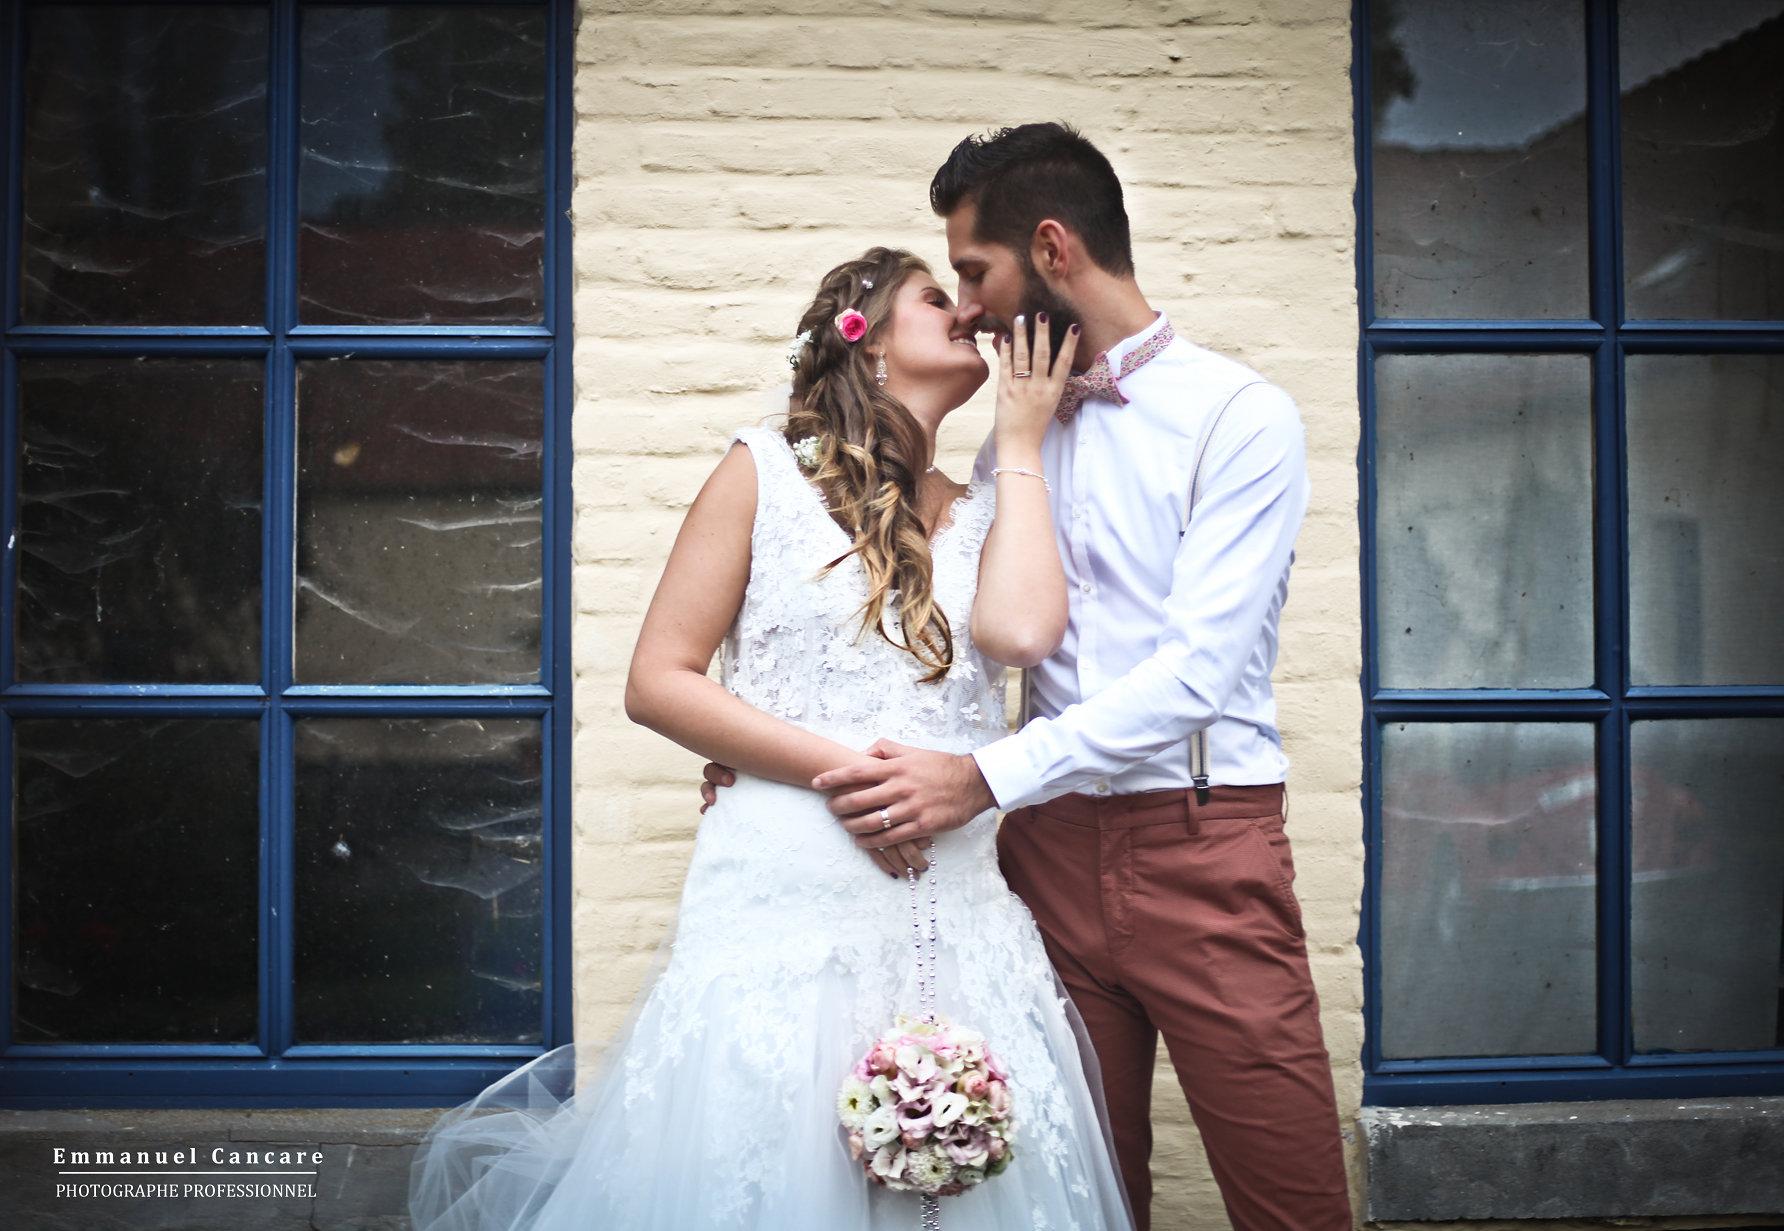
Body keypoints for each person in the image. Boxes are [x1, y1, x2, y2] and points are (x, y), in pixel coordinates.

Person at [701, 123, 1354, 1231]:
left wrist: (982, 775)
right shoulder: (1011, 427)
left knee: (1289, 1195)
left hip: (1199, 840)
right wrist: (771, 755)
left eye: (972, 271)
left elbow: (1197, 673)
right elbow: (942, 623)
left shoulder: (1238, 418)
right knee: (1076, 1193)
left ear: (1051, 249)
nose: (965, 306)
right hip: (1034, 862)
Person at [407, 245, 1136, 1230]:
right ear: (865, 337)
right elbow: (657, 680)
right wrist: (858, 780)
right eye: (935, 297)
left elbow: (1023, 637)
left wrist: (1019, 437)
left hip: (957, 919)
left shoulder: (993, 510)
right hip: (781, 906)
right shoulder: (761, 471)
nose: (965, 313)